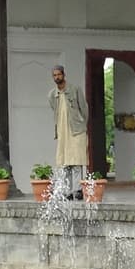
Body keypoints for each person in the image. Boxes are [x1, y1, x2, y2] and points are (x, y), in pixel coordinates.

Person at [48, 64, 88, 195]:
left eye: (59, 74)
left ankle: (77, 190)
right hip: (62, 131)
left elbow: (84, 109)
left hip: (76, 130)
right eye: (54, 75)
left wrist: (82, 124)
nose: (57, 77)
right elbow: (55, 110)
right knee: (64, 162)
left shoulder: (75, 89)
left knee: (76, 160)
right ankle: (67, 191)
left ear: (64, 75)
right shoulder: (52, 95)